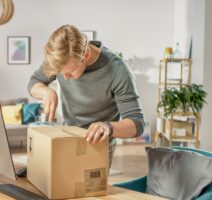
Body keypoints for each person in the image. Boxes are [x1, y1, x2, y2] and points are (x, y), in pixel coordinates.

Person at [27, 24, 144, 168]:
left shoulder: (118, 71)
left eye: (70, 72)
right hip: (67, 137)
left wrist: (108, 126)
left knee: (87, 190)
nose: (65, 77)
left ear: (86, 55)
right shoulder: (60, 59)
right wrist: (45, 91)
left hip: (98, 145)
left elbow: (137, 123)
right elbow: (34, 82)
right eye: (61, 73)